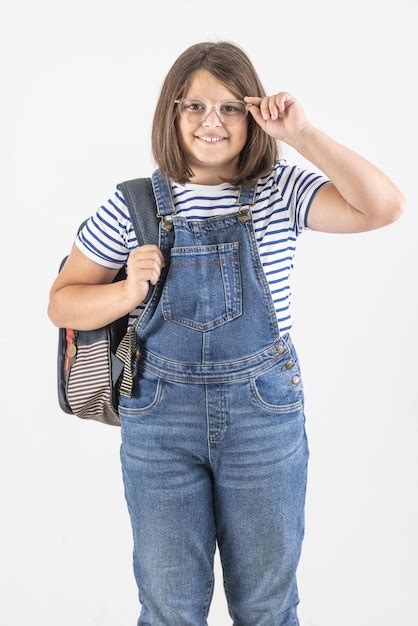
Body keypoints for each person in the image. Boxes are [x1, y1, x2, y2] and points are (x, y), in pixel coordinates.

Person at [47, 41, 405, 626]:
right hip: (160, 421)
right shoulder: (132, 204)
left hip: (263, 415)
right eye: (194, 107)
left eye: (230, 108)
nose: (211, 122)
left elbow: (383, 207)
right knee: (169, 610)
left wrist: (303, 134)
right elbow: (62, 305)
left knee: (266, 607)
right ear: (172, 114)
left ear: (252, 115)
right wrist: (126, 292)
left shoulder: (280, 190)